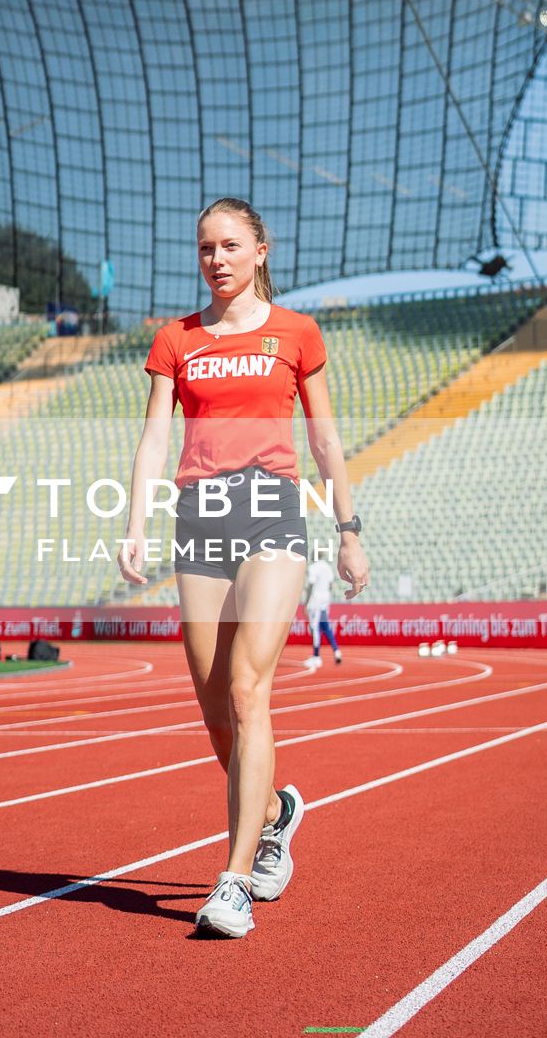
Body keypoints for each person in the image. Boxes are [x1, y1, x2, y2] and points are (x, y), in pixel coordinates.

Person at [118, 196, 369, 939]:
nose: (216, 259)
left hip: (272, 514)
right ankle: (275, 812)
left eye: (229, 245)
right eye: (204, 249)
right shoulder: (176, 339)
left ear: (261, 249)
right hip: (199, 520)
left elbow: (324, 442)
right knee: (213, 710)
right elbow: (154, 442)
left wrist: (348, 531)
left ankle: (233, 882)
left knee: (247, 686)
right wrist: (135, 526)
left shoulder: (297, 333)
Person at [301, 545, 342, 669]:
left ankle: (316, 656)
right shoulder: (328, 567)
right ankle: (336, 650)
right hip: (325, 598)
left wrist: (307, 602)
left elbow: (311, 586)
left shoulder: (313, 568)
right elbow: (330, 585)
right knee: (325, 626)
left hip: (316, 599)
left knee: (315, 628)